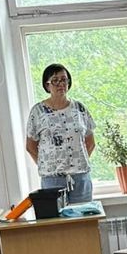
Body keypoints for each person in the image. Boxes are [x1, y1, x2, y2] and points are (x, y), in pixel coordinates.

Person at [25, 64, 95, 203]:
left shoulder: (79, 108)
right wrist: (48, 165)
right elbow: (30, 146)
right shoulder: (38, 112)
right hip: (52, 179)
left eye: (64, 80)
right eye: (55, 80)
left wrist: (76, 164)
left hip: (80, 177)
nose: (60, 84)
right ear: (47, 85)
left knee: (83, 216)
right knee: (55, 216)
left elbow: (90, 142)